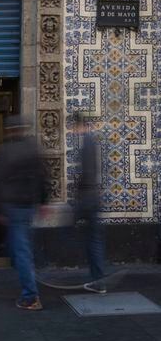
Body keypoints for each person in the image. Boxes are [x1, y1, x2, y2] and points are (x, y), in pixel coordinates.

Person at [0, 115, 48, 311]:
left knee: (21, 250)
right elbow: (43, 176)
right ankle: (28, 276)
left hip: (13, 205)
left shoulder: (5, 150)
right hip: (28, 205)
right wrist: (43, 202)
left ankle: (30, 296)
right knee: (19, 246)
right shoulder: (33, 147)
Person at [72, 112, 106, 294]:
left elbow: (88, 173)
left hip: (88, 199)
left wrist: (79, 201)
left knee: (92, 240)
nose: (73, 131)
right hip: (92, 198)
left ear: (80, 125)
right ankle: (98, 279)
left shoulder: (88, 143)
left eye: (74, 127)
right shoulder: (91, 141)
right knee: (94, 240)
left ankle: (98, 280)